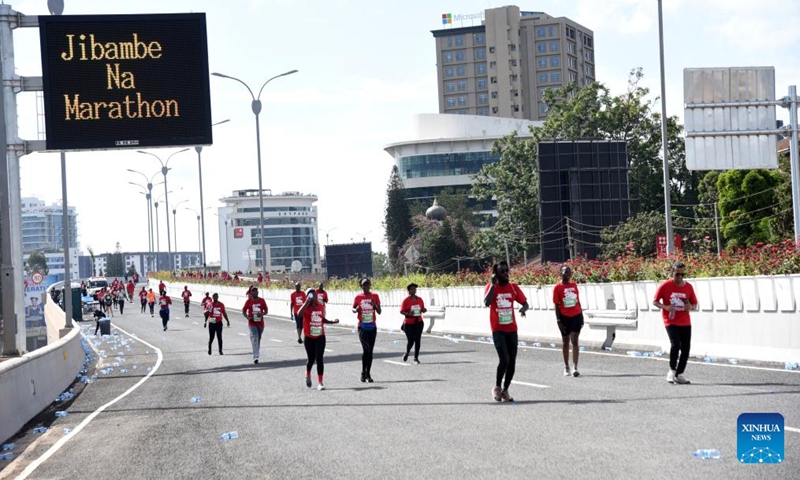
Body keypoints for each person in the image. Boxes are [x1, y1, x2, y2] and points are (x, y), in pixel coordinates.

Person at [484, 261, 529, 402]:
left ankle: (505, 390)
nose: (505, 274)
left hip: (511, 329)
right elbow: (486, 302)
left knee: (512, 362)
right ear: (496, 274)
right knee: (504, 359)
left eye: (506, 271)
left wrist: (523, 309)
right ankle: (497, 387)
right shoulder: (492, 287)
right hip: (498, 329)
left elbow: (525, 303)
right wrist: (492, 285)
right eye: (502, 272)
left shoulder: (513, 287)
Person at [652, 261, 698, 385]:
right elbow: (655, 301)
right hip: (670, 320)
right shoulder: (665, 285)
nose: (680, 277)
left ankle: (680, 374)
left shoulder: (688, 287)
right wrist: (666, 307)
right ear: (672, 272)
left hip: (685, 321)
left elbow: (694, 304)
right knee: (675, 344)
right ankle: (672, 371)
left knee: (686, 348)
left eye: (682, 274)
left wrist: (690, 307)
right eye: (677, 274)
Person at [298, 288, 339, 390]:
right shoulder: (305, 307)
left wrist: (331, 322)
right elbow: (299, 314)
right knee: (311, 359)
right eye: (310, 295)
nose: (312, 296)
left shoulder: (320, 306)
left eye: (314, 294)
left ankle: (320, 382)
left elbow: (322, 319)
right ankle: (308, 374)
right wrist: (306, 302)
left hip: (320, 336)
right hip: (309, 337)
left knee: (319, 358)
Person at [553, 265, 583, 377]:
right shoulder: (557, 287)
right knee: (565, 342)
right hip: (564, 317)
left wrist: (582, 316)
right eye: (565, 272)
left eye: (569, 272)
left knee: (575, 341)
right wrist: (558, 320)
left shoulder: (574, 285)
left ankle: (575, 367)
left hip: (576, 315)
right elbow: (556, 305)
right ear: (561, 273)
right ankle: (566, 366)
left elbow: (577, 300)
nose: (567, 274)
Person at [352, 278, 381, 383]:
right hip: (362, 326)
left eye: (367, 284)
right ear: (361, 286)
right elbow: (353, 308)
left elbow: (379, 311)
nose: (366, 287)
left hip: (372, 326)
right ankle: (363, 372)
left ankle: (367, 373)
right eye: (364, 285)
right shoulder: (358, 297)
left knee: (370, 351)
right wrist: (356, 310)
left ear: (370, 286)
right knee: (366, 349)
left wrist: (374, 305)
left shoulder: (375, 296)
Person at [400, 283, 427, 364]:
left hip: (418, 322)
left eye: (414, 289)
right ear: (409, 291)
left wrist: (424, 310)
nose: (413, 290)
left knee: (418, 340)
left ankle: (416, 358)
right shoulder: (406, 300)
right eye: (411, 289)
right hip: (408, 323)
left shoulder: (420, 299)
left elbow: (422, 309)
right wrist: (409, 314)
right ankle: (407, 352)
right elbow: (401, 311)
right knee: (411, 340)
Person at [242, 287, 269, 364]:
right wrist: (248, 317)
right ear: (251, 293)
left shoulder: (262, 300)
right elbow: (243, 311)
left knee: (258, 339)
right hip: (252, 323)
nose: (255, 292)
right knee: (255, 338)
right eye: (253, 291)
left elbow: (266, 311)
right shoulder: (248, 301)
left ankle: (256, 351)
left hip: (260, 323)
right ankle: (256, 356)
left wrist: (262, 314)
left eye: (256, 291)